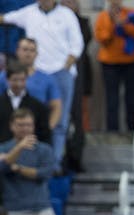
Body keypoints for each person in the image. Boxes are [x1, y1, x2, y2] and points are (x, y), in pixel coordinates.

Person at [0, 0, 84, 164]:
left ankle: (54, 162)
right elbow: (5, 19)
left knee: (61, 122)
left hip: (60, 72)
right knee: (28, 118)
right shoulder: (28, 12)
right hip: (35, 73)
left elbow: (77, 44)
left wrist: (66, 66)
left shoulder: (67, 15)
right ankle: (22, 158)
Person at [94, 0, 134, 133]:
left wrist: (125, 26)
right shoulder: (103, 17)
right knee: (112, 100)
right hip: (110, 64)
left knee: (131, 99)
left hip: (132, 63)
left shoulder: (132, 14)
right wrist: (113, 25)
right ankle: (112, 132)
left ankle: (133, 131)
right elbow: (102, 39)